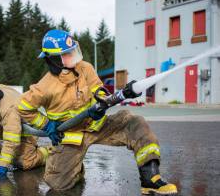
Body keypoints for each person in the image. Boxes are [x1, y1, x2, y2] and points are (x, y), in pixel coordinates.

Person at [17, 29, 178, 195]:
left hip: (98, 126)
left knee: (135, 123)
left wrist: (102, 102)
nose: (73, 55)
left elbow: (97, 88)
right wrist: (46, 124)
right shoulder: (45, 87)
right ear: (55, 60)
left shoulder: (85, 68)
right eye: (67, 53)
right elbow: (22, 107)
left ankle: (150, 178)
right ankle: (75, 170)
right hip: (71, 136)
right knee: (57, 184)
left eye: (73, 50)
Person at [0, 79, 48, 178]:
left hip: (25, 130)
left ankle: (47, 152)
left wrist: (3, 165)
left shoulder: (10, 109)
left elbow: (11, 141)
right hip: (6, 123)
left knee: (23, 163)